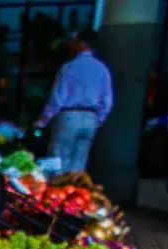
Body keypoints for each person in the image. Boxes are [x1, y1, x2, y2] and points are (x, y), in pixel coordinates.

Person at [35, 29, 112, 173]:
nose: (71, 44)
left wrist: (42, 121)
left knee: (58, 161)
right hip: (91, 118)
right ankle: (74, 191)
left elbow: (58, 98)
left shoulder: (70, 67)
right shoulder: (102, 69)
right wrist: (97, 120)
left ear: (81, 43)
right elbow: (107, 101)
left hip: (69, 116)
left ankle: (56, 193)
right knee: (79, 164)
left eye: (74, 40)